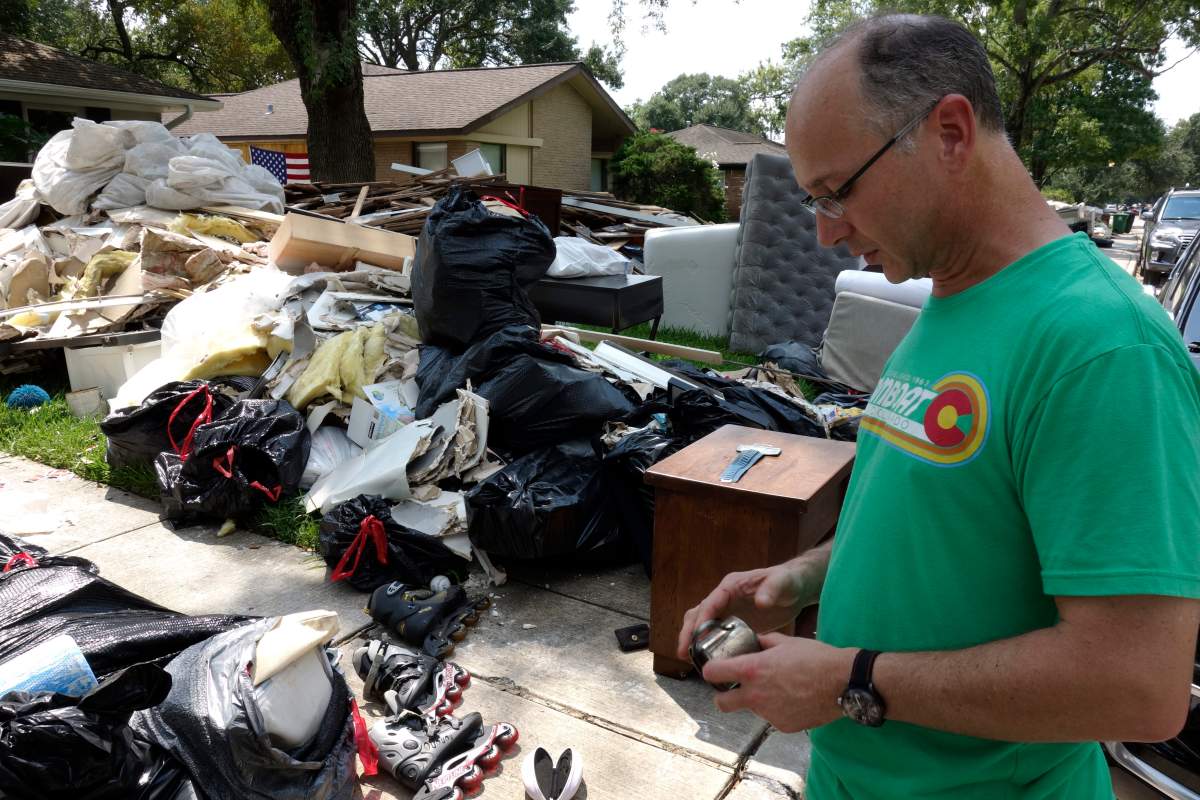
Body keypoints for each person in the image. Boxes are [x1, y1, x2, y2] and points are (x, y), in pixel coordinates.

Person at [676, 14, 1200, 800]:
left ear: (950, 131)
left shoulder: (1103, 347)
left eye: (836, 192)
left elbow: (1138, 685)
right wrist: (804, 577)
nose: (823, 233)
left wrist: (851, 680)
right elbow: (953, 531)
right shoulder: (954, 299)